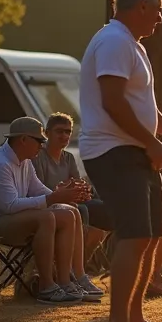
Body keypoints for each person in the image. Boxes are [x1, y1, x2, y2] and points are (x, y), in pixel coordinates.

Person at [79, 0, 162, 322]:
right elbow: (112, 101)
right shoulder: (113, 41)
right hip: (114, 151)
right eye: (158, 10)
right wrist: (151, 143)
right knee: (134, 234)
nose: (160, 18)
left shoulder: (131, 45)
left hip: (133, 150)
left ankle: (135, 320)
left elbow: (141, 105)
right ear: (141, 6)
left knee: (151, 234)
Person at [0, 117, 98, 303]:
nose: (42, 145)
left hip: (9, 218)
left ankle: (66, 281)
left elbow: (39, 191)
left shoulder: (25, 161)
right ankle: (46, 286)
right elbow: (10, 205)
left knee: (70, 213)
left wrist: (63, 196)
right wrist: (53, 198)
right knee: (46, 218)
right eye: (39, 141)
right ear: (23, 140)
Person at [33, 113, 116, 265]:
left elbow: (78, 183)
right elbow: (38, 188)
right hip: (50, 203)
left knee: (109, 211)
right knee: (81, 211)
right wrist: (66, 192)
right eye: (59, 131)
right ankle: (71, 268)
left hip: (72, 201)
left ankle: (81, 267)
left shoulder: (69, 157)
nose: (64, 135)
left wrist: (81, 191)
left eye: (68, 131)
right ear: (47, 133)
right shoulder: (39, 157)